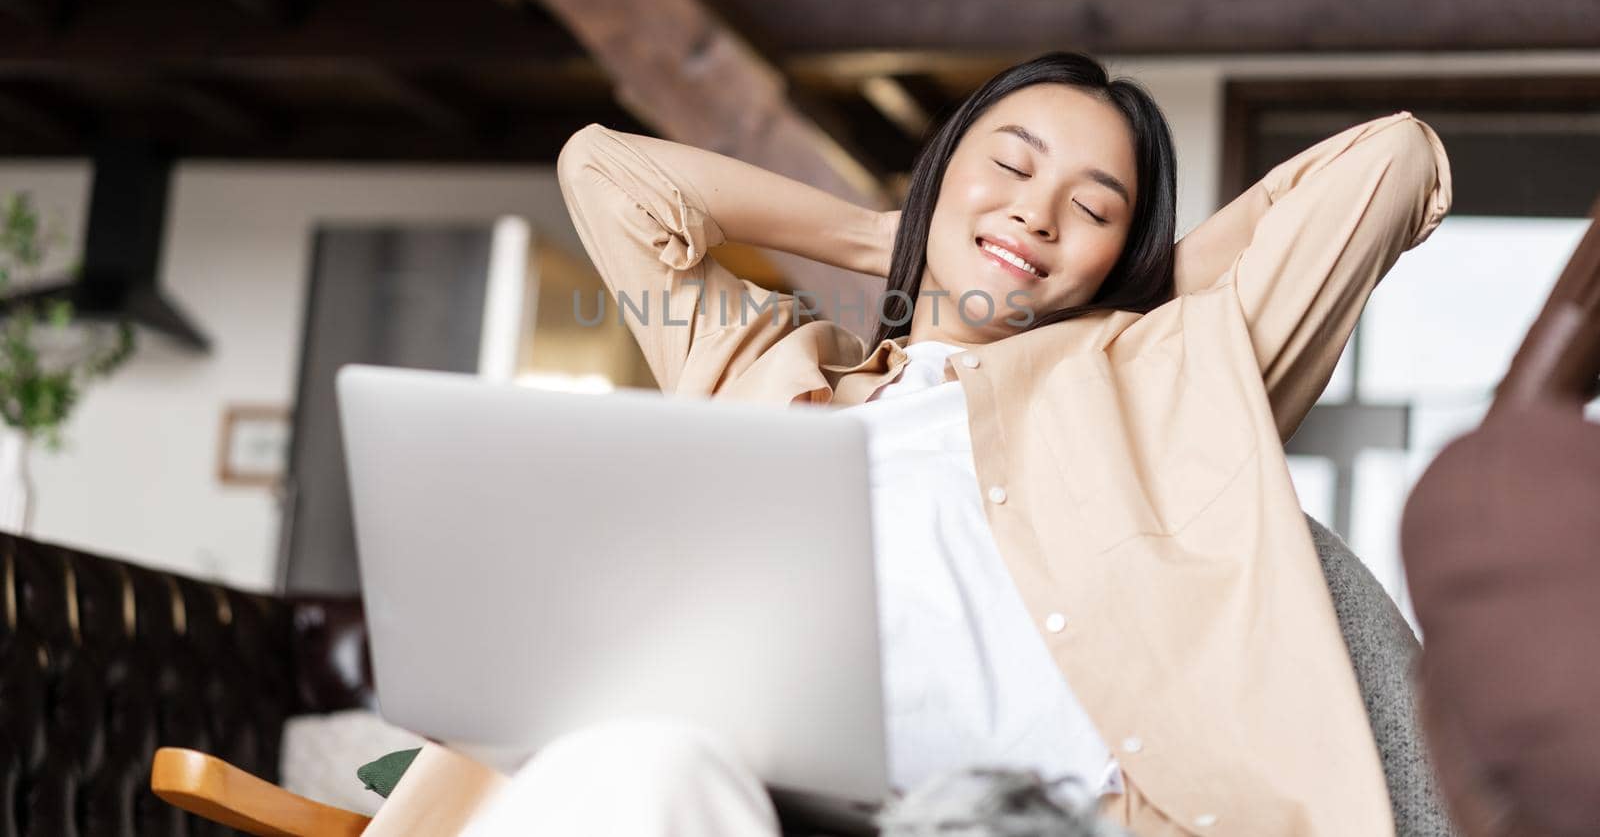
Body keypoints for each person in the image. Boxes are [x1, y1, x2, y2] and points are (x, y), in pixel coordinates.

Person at [458, 51, 1452, 837]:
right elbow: (606, 169)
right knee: (628, 759)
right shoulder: (764, 369)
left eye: (1095, 206)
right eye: (1011, 166)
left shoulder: (1158, 386)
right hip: (767, 793)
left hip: (1028, 817)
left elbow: (1393, 160)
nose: (1037, 209)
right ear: (941, 170)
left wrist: (1134, 297)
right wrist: (882, 234)